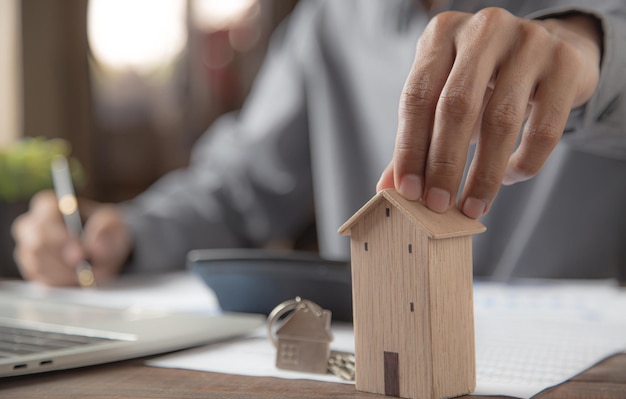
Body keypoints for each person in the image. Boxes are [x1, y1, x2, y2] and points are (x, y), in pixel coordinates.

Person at [12, 0, 626, 286]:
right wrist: (126, 231)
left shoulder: (599, 26)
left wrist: (596, 47)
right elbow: (236, 190)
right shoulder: (327, 23)